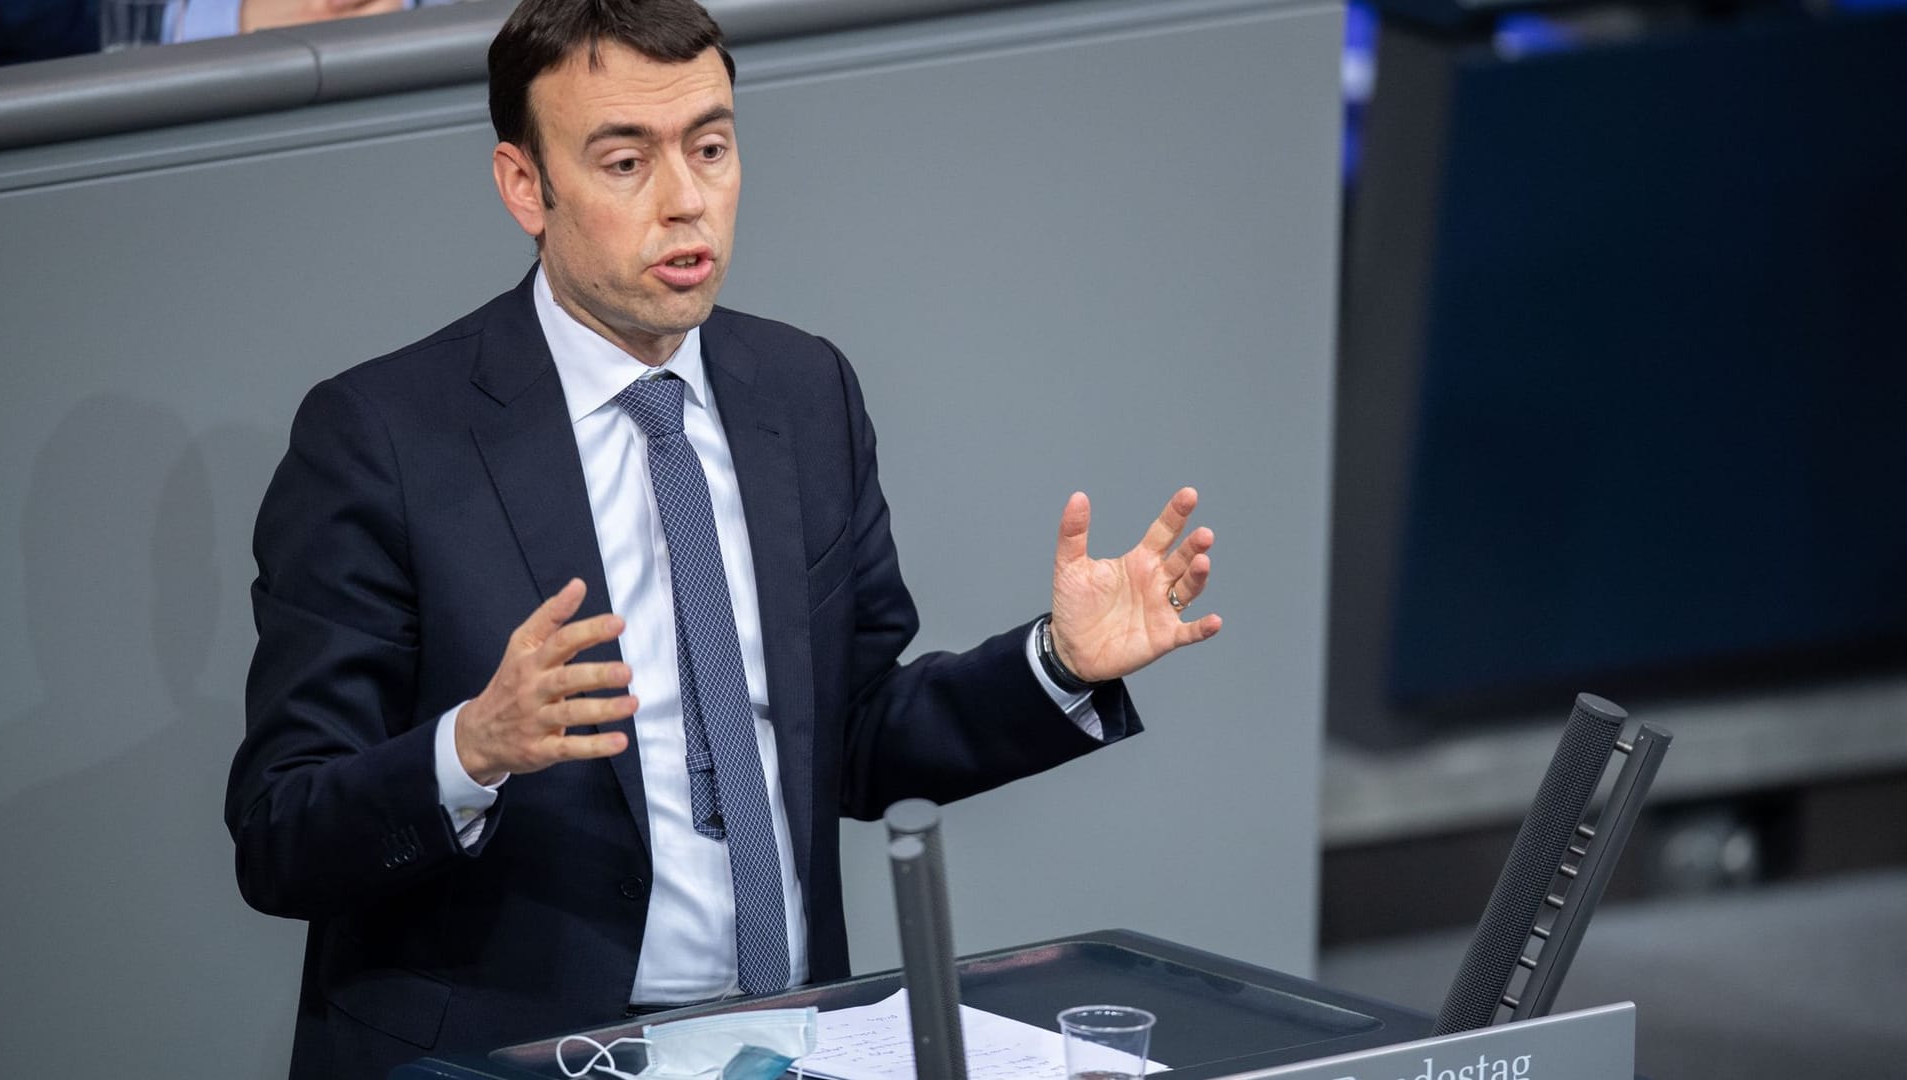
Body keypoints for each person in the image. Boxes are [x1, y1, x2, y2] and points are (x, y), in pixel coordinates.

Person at [227, 1, 1222, 1077]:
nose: (687, 200)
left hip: (786, 1037)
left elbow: (854, 735)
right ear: (526, 185)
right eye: (624, 162)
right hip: (508, 1053)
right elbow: (280, 833)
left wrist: (1056, 667)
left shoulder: (801, 392)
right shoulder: (385, 437)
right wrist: (469, 750)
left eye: (711, 146)